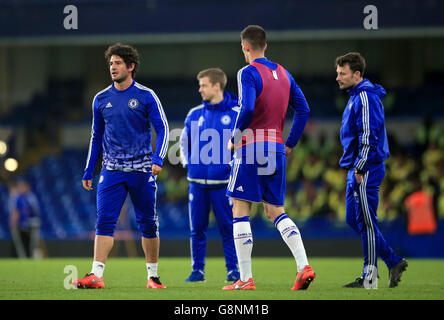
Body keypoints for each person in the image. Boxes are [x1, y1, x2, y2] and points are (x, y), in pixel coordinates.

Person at [222, 25, 315, 291]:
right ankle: (303, 266)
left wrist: (235, 137)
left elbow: (248, 106)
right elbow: (304, 110)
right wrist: (289, 143)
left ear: (246, 46)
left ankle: (245, 279)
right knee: (275, 211)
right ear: (266, 45)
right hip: (275, 149)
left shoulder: (248, 72)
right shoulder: (284, 73)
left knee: (240, 208)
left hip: (251, 146)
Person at [73, 43, 169, 289]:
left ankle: (153, 277)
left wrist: (158, 158)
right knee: (104, 221)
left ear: (131, 66)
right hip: (112, 170)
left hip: (142, 171)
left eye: (117, 63)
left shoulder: (146, 96)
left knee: (148, 223)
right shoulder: (101, 98)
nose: (112, 68)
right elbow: (96, 136)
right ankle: (96, 275)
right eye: (110, 64)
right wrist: (89, 169)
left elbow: (163, 128)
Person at [335, 52, 408, 289]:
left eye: (342, 73)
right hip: (357, 167)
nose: (338, 77)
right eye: (338, 73)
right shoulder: (357, 96)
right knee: (354, 219)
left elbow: (369, 135)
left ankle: (369, 278)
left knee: (366, 221)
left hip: (365, 167)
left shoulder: (365, 97)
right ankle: (393, 260)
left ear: (357, 74)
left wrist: (359, 166)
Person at [179, 68, 239, 283]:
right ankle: (197, 271)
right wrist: (190, 165)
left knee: (228, 228)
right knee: (197, 229)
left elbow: (244, 146)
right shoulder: (194, 114)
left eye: (203, 85)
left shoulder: (236, 114)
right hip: (196, 183)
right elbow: (184, 143)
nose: (200, 89)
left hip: (224, 184)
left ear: (217, 86)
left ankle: (233, 270)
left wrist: (233, 169)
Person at [9, 179, 41, 259]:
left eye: (23, 187)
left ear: (27, 187)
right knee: (22, 243)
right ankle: (24, 258)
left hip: (32, 224)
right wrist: (14, 223)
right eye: (20, 187)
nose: (22, 189)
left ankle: (31, 256)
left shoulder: (31, 197)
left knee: (32, 243)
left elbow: (35, 211)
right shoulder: (18, 198)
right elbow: (15, 211)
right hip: (22, 224)